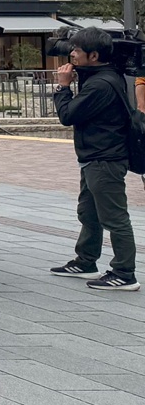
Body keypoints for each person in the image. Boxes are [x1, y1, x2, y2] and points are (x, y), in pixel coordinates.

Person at [52, 26, 137, 289]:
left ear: (94, 55)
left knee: (114, 217)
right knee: (88, 212)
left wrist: (63, 87)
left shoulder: (101, 84)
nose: (72, 54)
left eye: (77, 50)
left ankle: (124, 273)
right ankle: (86, 260)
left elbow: (68, 115)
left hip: (105, 159)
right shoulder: (101, 76)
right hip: (95, 157)